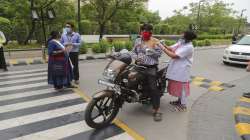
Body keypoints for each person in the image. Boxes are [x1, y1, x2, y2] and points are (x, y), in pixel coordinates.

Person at [131, 23, 163, 121]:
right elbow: (133, 52)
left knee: (153, 88)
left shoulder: (155, 41)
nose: (145, 33)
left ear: (150, 32)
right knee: (128, 79)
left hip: (150, 67)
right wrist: (136, 58)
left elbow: (159, 54)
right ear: (140, 32)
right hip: (138, 66)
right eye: (143, 31)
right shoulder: (137, 40)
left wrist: (151, 51)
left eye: (147, 31)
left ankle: (156, 110)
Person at [159, 30, 197, 111]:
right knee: (177, 85)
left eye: (183, 33)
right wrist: (164, 45)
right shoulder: (181, 42)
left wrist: (162, 48)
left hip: (182, 69)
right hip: (177, 67)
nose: (181, 34)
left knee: (182, 87)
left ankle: (183, 105)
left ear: (186, 36)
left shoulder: (189, 47)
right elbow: (171, 48)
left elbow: (174, 55)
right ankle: (179, 101)